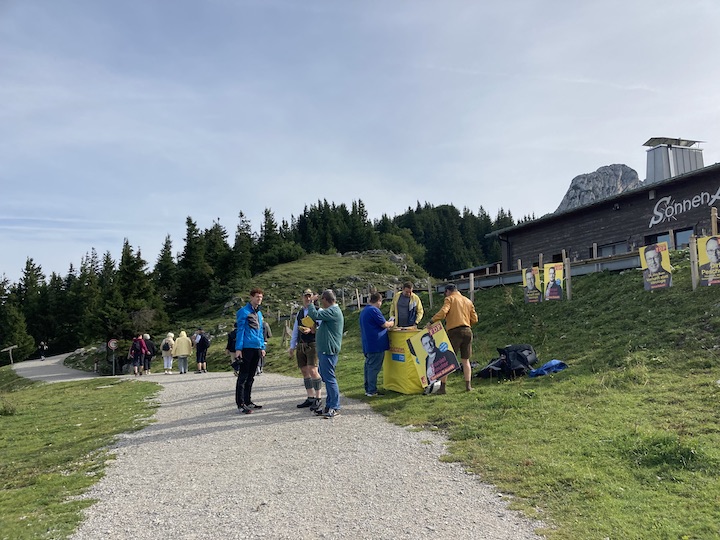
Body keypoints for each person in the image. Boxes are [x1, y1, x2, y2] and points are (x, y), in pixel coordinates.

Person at [430, 283, 478, 393]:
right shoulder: (468, 301)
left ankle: (442, 388)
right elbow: (475, 319)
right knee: (466, 360)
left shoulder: (449, 299)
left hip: (454, 332)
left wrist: (432, 321)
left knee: (447, 359)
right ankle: (468, 386)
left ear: (447, 291)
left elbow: (443, 312)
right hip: (467, 331)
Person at [307, 289, 344, 418]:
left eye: (321, 300)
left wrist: (311, 302)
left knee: (330, 378)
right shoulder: (332, 311)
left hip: (329, 350)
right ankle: (329, 405)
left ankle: (335, 406)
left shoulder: (333, 311)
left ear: (325, 300)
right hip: (325, 350)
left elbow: (314, 315)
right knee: (327, 378)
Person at [288, 289, 323, 411]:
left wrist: (313, 329)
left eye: (309, 296)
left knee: (313, 370)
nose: (307, 299)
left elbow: (322, 326)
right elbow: (295, 330)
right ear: (302, 298)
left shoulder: (318, 311)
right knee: (304, 370)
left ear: (313, 297)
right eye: (305, 296)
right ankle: (310, 396)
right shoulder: (300, 313)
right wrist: (292, 346)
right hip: (301, 344)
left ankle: (318, 398)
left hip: (313, 343)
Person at [235, 288, 266, 414]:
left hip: (256, 347)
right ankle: (240, 403)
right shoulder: (243, 312)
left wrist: (262, 347)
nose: (259, 299)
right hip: (247, 347)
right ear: (251, 297)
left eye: (261, 297)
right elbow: (240, 330)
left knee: (251, 376)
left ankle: (248, 401)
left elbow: (260, 331)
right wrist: (238, 348)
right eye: (257, 296)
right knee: (243, 376)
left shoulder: (259, 313)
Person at [360, 292, 394, 397]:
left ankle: (368, 388)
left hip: (368, 343)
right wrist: (392, 322)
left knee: (368, 367)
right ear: (379, 300)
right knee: (374, 368)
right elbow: (384, 324)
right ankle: (372, 390)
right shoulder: (374, 310)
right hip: (376, 344)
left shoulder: (364, 311)